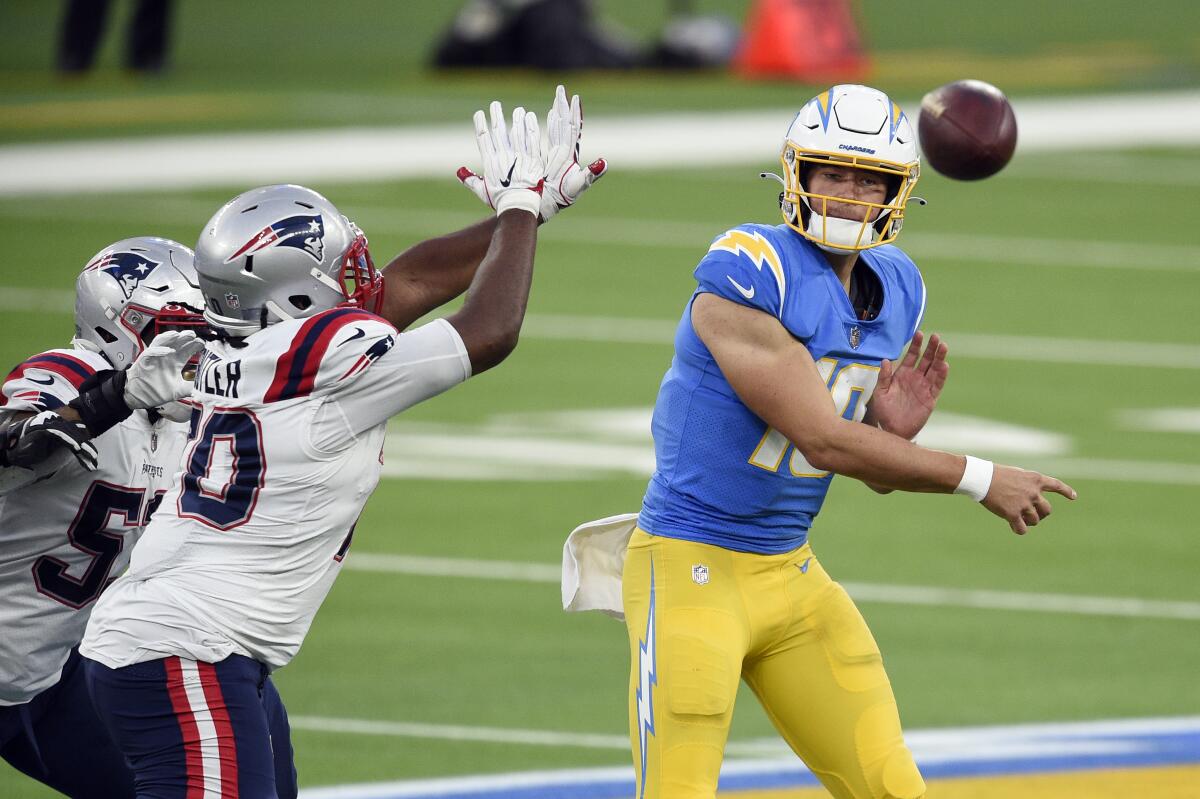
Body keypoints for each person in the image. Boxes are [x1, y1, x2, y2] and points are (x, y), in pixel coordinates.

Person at [79, 91, 601, 798]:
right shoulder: (326, 356)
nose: (362, 275)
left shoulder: (255, 347)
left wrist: (527, 212)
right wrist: (515, 211)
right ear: (293, 295)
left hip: (194, 639)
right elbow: (487, 330)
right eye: (340, 266)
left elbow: (410, 280)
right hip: (183, 643)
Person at [599, 84, 1075, 799]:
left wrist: (890, 432)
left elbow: (864, 463)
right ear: (799, 176)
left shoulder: (897, 285)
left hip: (790, 577)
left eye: (868, 179)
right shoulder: (748, 268)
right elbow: (822, 441)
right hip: (692, 566)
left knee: (892, 787)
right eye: (834, 174)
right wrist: (978, 476)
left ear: (896, 190)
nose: (850, 194)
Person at [0, 236, 298, 798]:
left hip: (55, 675)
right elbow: (21, 433)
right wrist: (103, 403)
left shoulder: (193, 415)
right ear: (121, 326)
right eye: (178, 333)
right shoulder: (72, 373)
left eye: (208, 332)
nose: (200, 350)